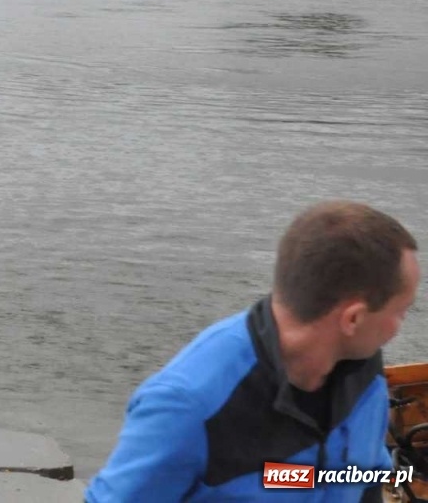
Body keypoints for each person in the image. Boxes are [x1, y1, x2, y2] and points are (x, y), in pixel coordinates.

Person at [88, 201, 416, 502]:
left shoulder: (361, 367)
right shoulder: (189, 406)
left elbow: (363, 478)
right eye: (401, 311)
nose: (398, 327)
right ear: (353, 318)